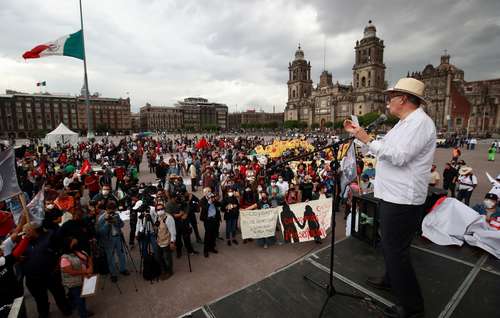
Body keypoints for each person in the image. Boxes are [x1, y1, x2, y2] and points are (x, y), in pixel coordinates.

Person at [344, 77, 434, 318]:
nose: (387, 103)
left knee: (397, 251)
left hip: (403, 199)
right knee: (390, 245)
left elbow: (399, 156)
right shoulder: (404, 123)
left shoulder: (419, 124)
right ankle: (391, 279)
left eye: (391, 98)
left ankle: (412, 307)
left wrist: (367, 139)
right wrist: (362, 140)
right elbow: (383, 148)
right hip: (392, 195)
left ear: (403, 99)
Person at [60, 236, 93, 318]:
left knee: (83, 297)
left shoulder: (79, 251)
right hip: (74, 283)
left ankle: (84, 311)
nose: (76, 244)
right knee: (79, 299)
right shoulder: (64, 258)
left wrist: (90, 267)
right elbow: (71, 272)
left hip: (83, 279)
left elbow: (88, 258)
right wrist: (85, 271)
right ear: (68, 245)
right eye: (73, 243)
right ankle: (83, 314)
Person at [96, 201, 129, 282]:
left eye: (114, 210)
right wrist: (107, 223)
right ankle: (113, 274)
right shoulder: (102, 218)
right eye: (111, 211)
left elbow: (122, 225)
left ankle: (123, 269)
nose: (112, 212)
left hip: (117, 237)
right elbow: (101, 232)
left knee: (121, 254)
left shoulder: (116, 215)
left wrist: (116, 221)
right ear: (107, 209)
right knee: (110, 257)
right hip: (108, 240)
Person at [155, 202, 176, 279]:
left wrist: (172, 242)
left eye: (161, 209)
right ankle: (163, 270)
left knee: (167, 258)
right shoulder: (157, 217)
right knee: (158, 257)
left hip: (167, 242)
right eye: (158, 209)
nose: (160, 210)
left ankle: (169, 272)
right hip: (159, 241)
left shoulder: (169, 218)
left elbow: (172, 231)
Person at [199, 189, 221, 257]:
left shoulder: (213, 198)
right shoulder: (202, 200)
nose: (209, 192)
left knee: (214, 234)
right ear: (204, 193)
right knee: (208, 235)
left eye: (210, 191)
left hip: (215, 219)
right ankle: (206, 250)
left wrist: (216, 200)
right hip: (208, 220)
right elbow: (204, 208)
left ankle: (212, 248)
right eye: (207, 192)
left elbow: (219, 205)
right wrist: (209, 202)